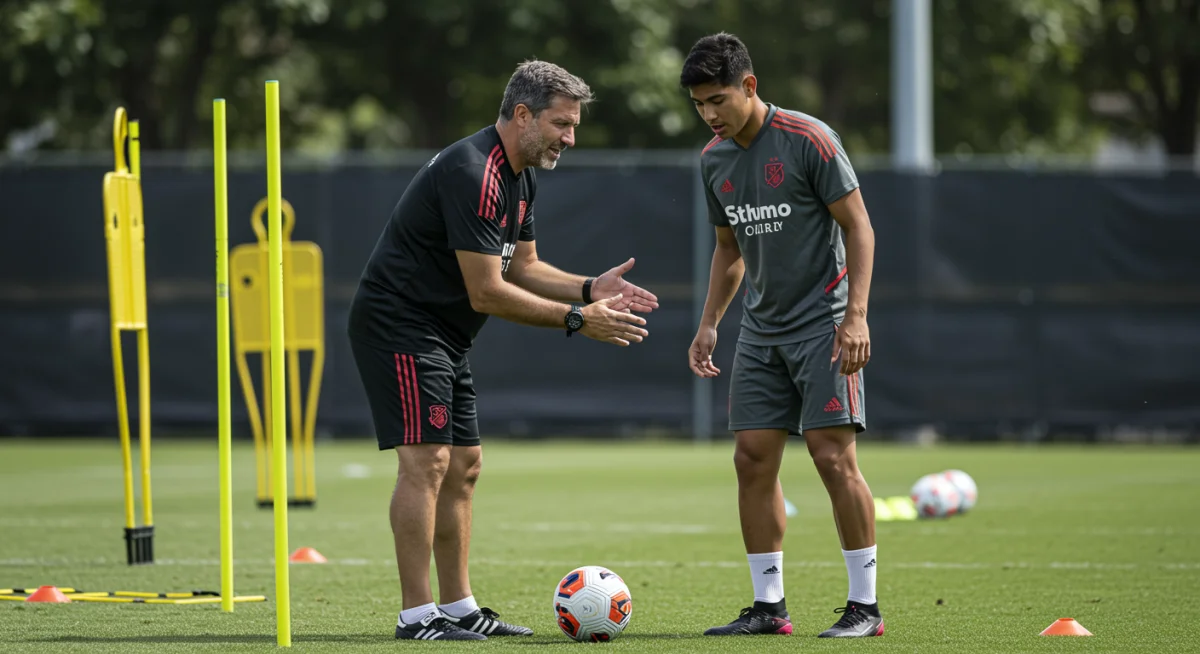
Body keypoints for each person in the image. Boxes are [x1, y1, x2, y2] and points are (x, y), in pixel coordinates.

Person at [347, 60, 659, 641]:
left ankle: (460, 607)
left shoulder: (520, 173)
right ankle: (418, 617)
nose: (571, 137)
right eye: (563, 124)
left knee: (464, 466)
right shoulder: (474, 172)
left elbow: (527, 266)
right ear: (523, 115)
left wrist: (591, 288)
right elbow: (487, 291)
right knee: (428, 462)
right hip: (400, 325)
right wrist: (576, 319)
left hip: (443, 333)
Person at [681, 33, 883, 639]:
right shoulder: (713, 159)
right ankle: (769, 608)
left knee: (831, 457)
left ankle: (865, 609)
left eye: (717, 99)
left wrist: (857, 316)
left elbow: (861, 228)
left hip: (824, 324)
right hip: (760, 332)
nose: (710, 114)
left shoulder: (809, 139)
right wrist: (710, 322)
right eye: (698, 105)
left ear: (749, 85)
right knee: (751, 460)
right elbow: (728, 249)